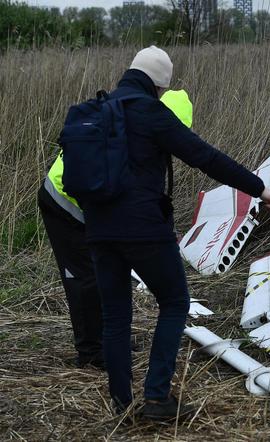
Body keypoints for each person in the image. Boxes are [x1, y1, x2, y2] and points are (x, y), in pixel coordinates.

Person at [77, 46, 270, 420]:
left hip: (98, 230)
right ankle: (157, 399)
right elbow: (206, 157)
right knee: (174, 303)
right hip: (144, 229)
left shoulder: (98, 111)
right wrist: (261, 189)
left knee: (115, 317)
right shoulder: (151, 113)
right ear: (160, 84)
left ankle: (122, 405)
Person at [38, 89, 196, 371]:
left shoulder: (135, 127)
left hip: (89, 204)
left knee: (109, 269)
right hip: (63, 200)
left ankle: (111, 340)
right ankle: (91, 353)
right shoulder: (133, 141)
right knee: (85, 277)